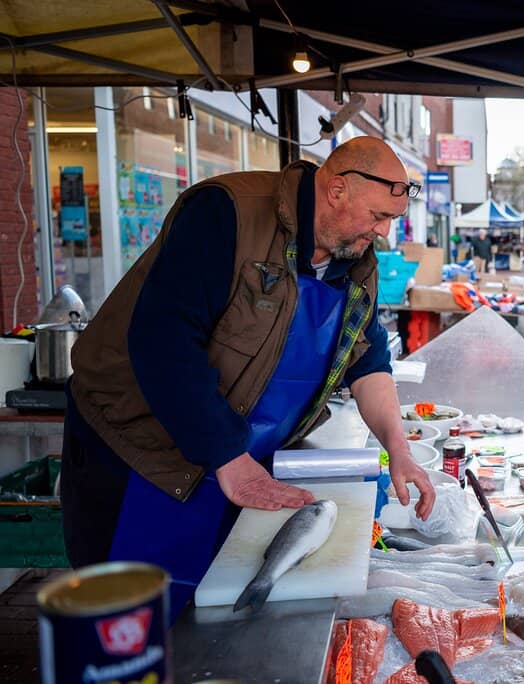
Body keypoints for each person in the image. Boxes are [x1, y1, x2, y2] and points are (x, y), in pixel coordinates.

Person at [61, 137, 436, 617]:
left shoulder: (354, 261)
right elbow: (163, 340)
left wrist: (398, 450)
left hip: (235, 456)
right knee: (124, 618)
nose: (384, 232)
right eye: (379, 216)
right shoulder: (225, 213)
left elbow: (368, 361)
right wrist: (228, 456)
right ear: (337, 190)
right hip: (137, 447)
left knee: (210, 607)